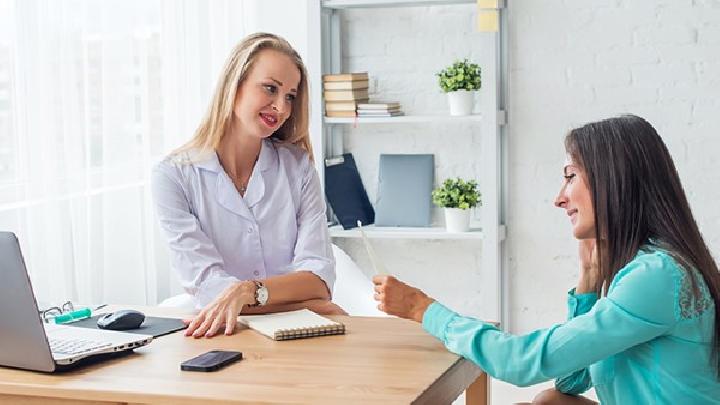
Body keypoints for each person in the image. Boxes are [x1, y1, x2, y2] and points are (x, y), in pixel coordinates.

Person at [372, 115, 720, 404]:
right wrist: (588, 282)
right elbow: (570, 381)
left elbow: (523, 363)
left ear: (613, 180)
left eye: (571, 176)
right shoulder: (644, 267)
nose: (559, 198)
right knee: (549, 401)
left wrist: (422, 308)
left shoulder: (657, 275)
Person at [152, 33, 342, 339]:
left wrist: (246, 292)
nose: (281, 107)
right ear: (234, 84)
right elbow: (207, 287)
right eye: (270, 88)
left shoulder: (298, 167)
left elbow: (319, 279)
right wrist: (307, 306)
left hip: (301, 337)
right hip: (225, 336)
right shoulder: (173, 176)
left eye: (290, 96)